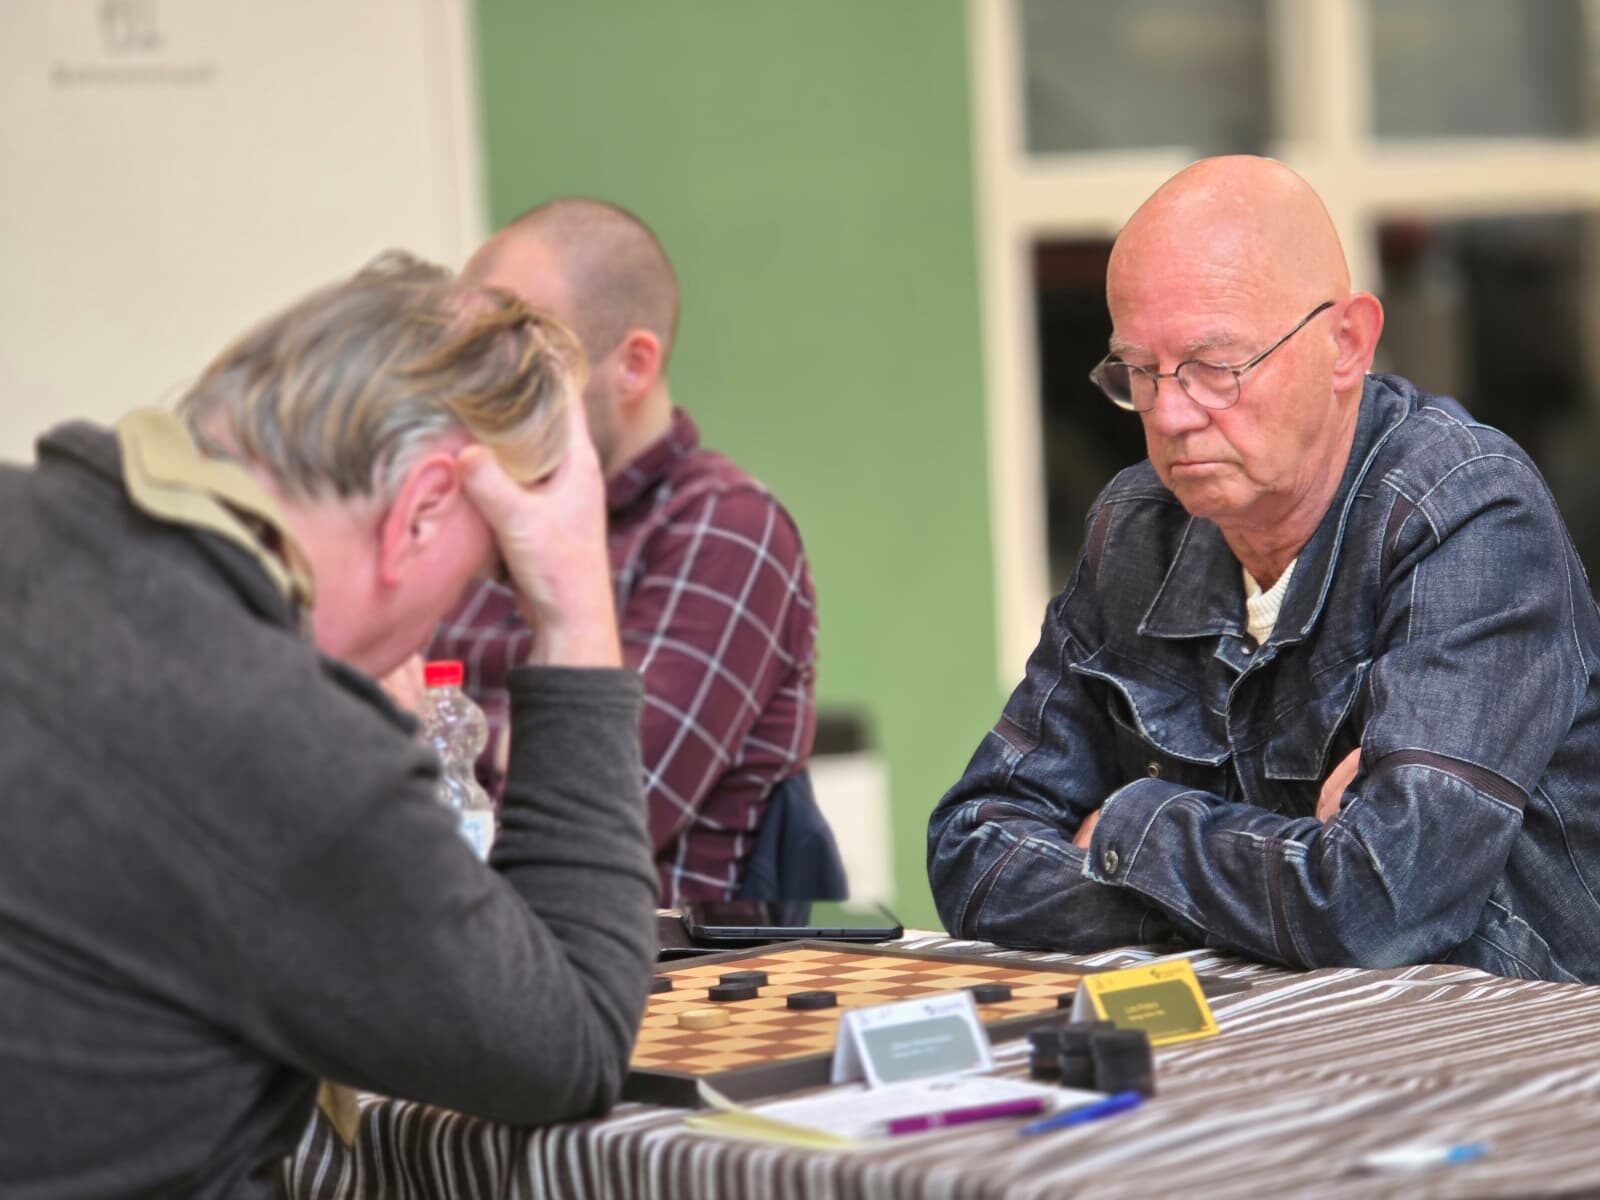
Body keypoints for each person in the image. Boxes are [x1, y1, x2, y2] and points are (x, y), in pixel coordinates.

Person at [0, 253, 659, 1198]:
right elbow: (573, 1040)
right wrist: (577, 614)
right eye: (482, 574)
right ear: (421, 513)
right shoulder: (279, 735)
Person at [928, 155, 1600, 983]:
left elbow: (1378, 908)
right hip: (1244, 1033)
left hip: (1503, 1044)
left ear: (1346, 343)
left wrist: (1131, 828)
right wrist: (1276, 884)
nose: (1172, 414)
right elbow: (973, 851)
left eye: (1215, 368)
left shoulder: (1465, 513)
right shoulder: (1137, 528)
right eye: (1139, 372)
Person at [429, 198, 818, 905]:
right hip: (453, 929)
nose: (477, 390)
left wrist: (458, 738)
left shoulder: (725, 527)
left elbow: (599, 807)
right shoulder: (474, 502)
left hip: (650, 962)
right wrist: (502, 741)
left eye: (518, 356)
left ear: (633, 365)